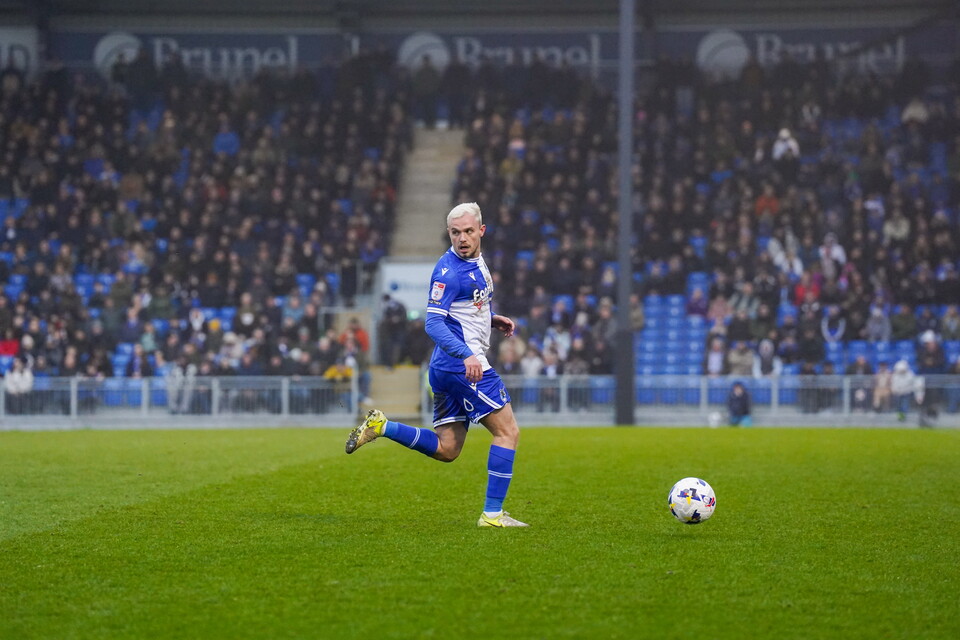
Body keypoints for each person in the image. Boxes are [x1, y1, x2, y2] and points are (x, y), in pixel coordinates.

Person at [345, 203, 527, 528]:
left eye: (468, 231)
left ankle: (383, 427)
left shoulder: (476, 262)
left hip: (445, 367)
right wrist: (467, 354)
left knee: (447, 449)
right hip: (464, 366)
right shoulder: (450, 271)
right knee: (508, 432)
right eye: (455, 233)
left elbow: (468, 308)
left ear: (481, 231)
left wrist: (490, 319)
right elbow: (433, 323)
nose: (462, 239)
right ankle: (493, 514)